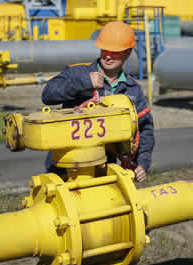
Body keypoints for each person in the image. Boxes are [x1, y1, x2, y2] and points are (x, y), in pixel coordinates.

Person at [41, 21, 154, 182]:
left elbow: (145, 128)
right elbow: (48, 95)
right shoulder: (78, 72)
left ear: (127, 53)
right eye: (105, 49)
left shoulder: (132, 89)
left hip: (104, 169)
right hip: (65, 166)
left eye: (114, 51)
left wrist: (142, 163)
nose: (108, 56)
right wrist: (84, 82)